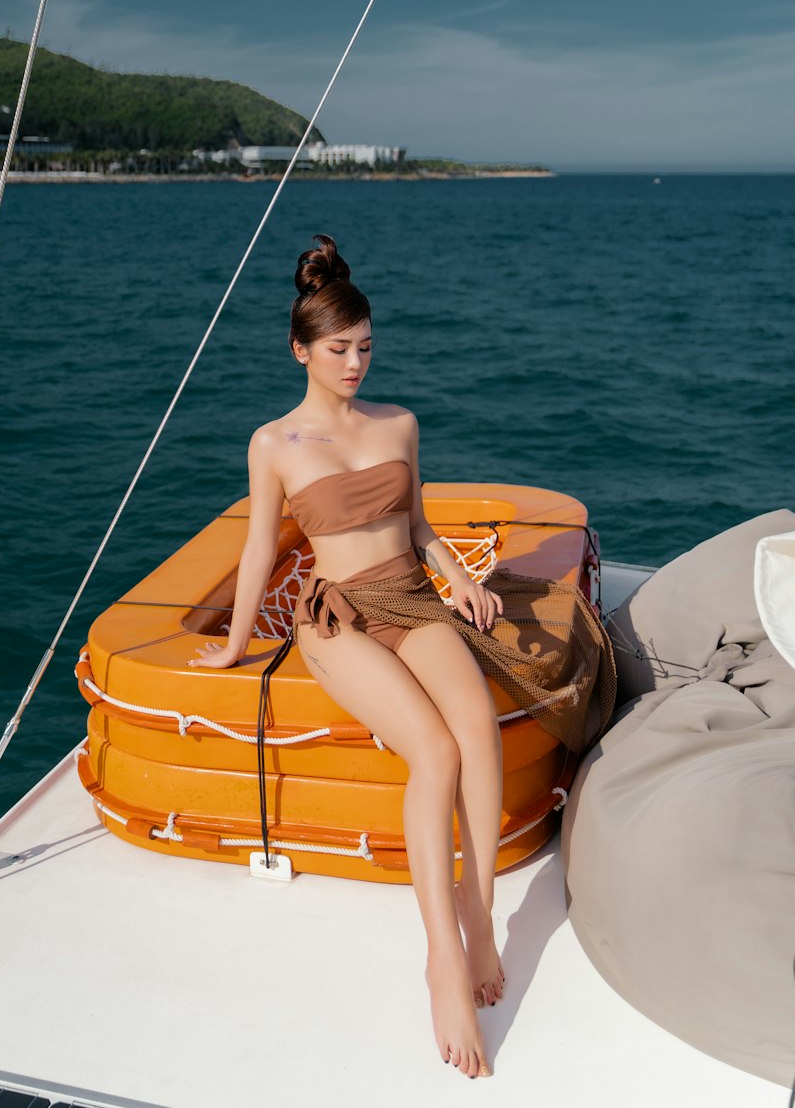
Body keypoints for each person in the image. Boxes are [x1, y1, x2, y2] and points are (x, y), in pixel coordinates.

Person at [188, 233, 505, 1079]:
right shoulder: (274, 444)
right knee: (432, 752)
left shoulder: (398, 423)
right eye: (339, 350)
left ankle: (482, 915)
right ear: (300, 350)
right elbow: (260, 553)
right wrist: (233, 643)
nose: (355, 363)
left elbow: (420, 524)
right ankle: (442, 956)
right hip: (334, 615)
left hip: (410, 593)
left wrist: (458, 581)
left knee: (478, 726)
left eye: (365, 347)